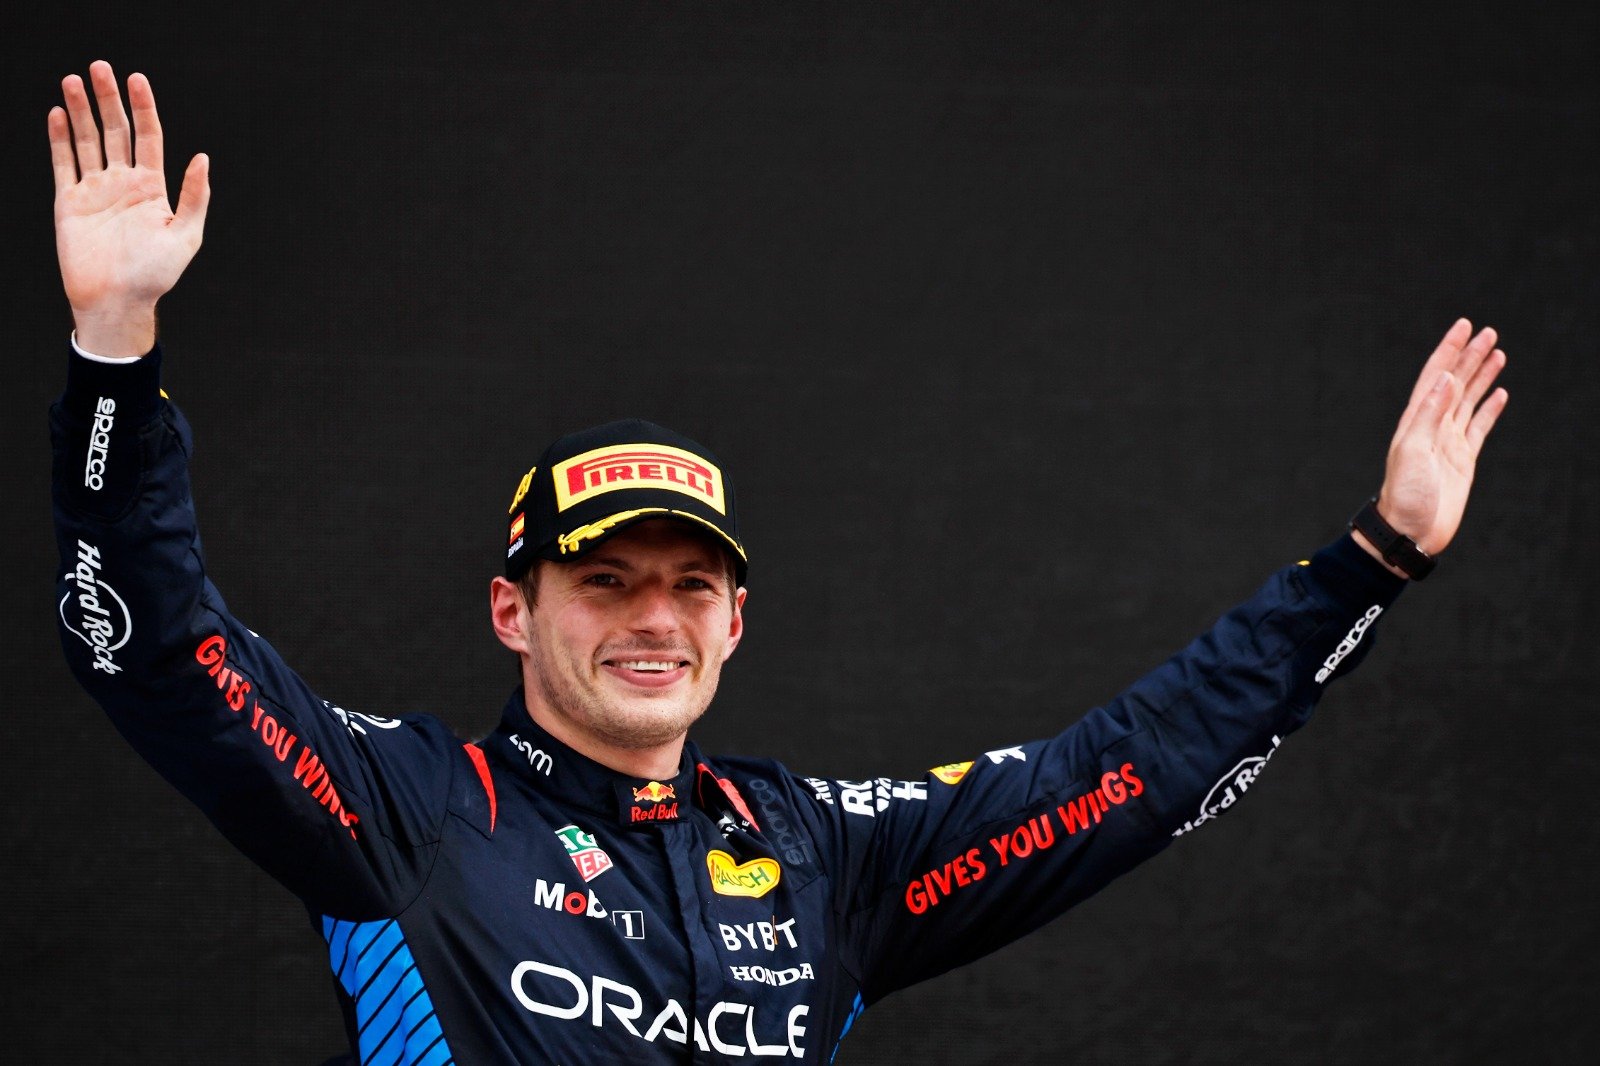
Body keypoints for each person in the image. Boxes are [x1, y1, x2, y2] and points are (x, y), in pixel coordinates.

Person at [48, 61, 1509, 1064]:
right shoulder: (408, 808)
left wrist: (1373, 560)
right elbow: (154, 647)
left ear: (736, 619)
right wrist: (115, 347)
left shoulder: (821, 854)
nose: (653, 618)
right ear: (513, 609)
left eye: (689, 584)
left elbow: (1126, 774)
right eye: (603, 580)